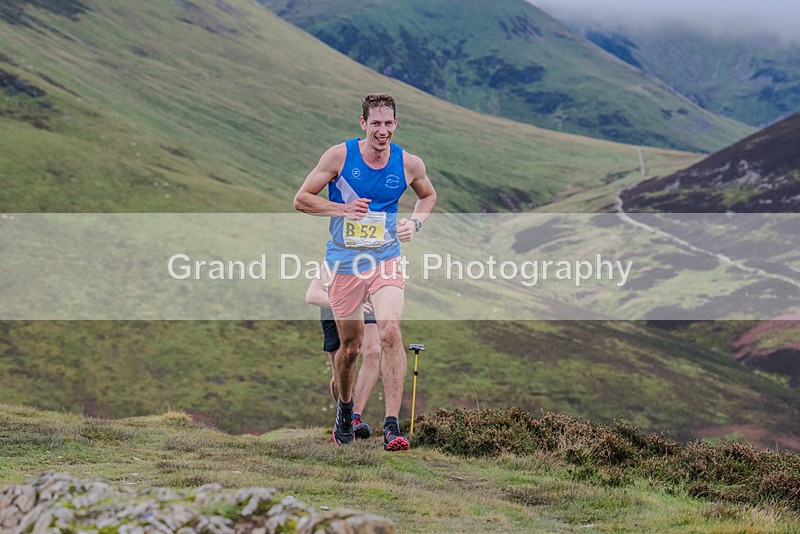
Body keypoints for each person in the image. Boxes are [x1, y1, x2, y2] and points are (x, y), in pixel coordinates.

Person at [294, 93, 437, 450]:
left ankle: (392, 426)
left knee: (390, 332)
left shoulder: (408, 163)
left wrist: (414, 225)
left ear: (396, 124)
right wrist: (341, 210)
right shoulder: (340, 156)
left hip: (385, 257)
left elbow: (428, 196)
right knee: (352, 348)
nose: (383, 130)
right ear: (363, 124)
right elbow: (301, 199)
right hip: (344, 262)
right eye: (376, 123)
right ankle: (345, 409)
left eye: (389, 123)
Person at [305, 276, 381, 439]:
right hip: (334, 307)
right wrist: (345, 302)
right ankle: (345, 416)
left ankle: (355, 418)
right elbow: (312, 295)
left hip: (366, 303)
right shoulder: (334, 259)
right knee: (342, 369)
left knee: (373, 351)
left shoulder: (373, 257)